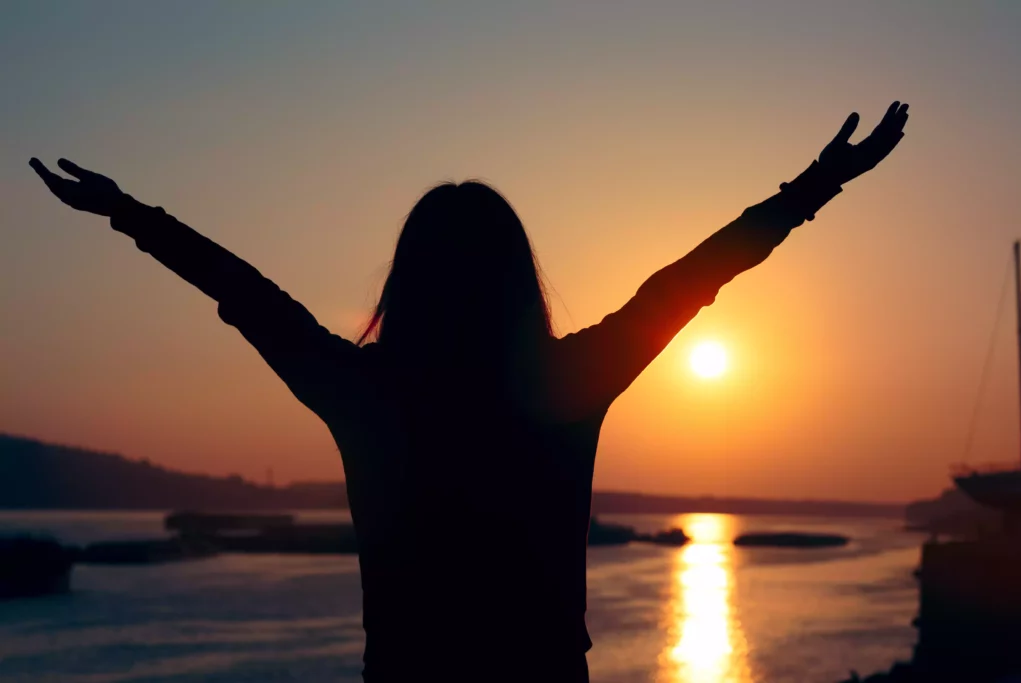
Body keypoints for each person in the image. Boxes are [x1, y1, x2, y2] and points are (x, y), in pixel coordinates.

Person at [29, 101, 909, 682]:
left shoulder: (365, 391)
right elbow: (695, 278)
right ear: (517, 278)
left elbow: (244, 294)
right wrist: (818, 183)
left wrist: (127, 212)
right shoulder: (568, 380)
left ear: (407, 281)